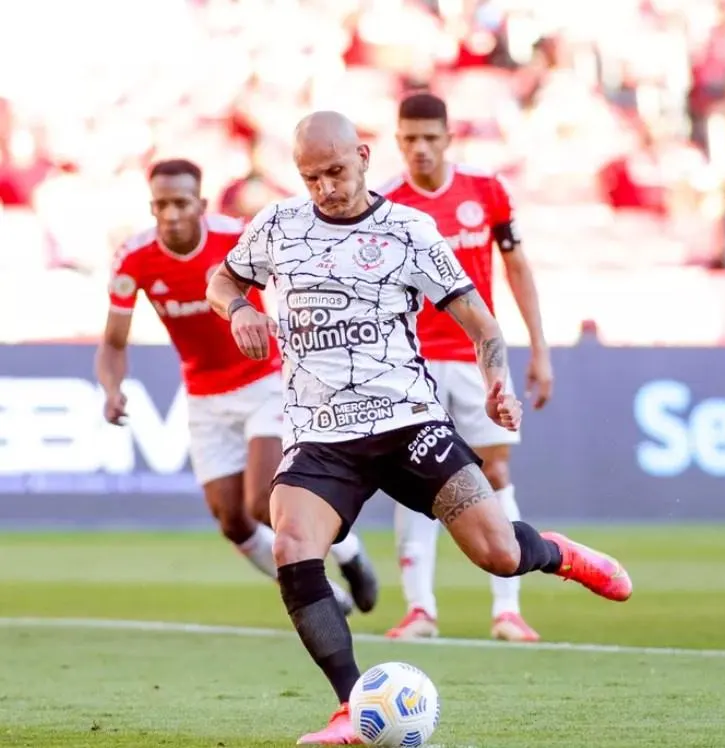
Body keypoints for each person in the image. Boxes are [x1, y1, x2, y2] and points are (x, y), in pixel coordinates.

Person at [206, 111, 632, 746]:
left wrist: (499, 382)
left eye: (336, 171)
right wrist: (238, 307)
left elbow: (482, 325)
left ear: (365, 156)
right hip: (321, 435)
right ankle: (352, 708)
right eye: (311, 176)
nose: (325, 187)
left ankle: (557, 552)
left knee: (500, 553)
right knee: (292, 545)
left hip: (408, 423)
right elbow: (222, 279)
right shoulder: (276, 225)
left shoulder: (408, 230)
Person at [96, 159, 378, 615]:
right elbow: (112, 342)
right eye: (162, 204)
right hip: (204, 396)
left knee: (264, 502)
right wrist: (111, 388)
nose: (171, 214)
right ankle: (333, 600)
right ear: (152, 206)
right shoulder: (134, 258)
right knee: (231, 521)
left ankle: (347, 555)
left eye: (181, 203)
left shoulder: (236, 237)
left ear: (201, 204)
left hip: (263, 380)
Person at [376, 92, 552, 643]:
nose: (420, 148)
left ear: (449, 138)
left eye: (430, 137)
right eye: (409, 139)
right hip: (411, 365)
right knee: (414, 484)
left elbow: (517, 267)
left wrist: (539, 350)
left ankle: (508, 609)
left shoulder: (486, 190)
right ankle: (420, 609)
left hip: (478, 360)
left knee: (495, 474)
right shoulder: (385, 204)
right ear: (398, 141)